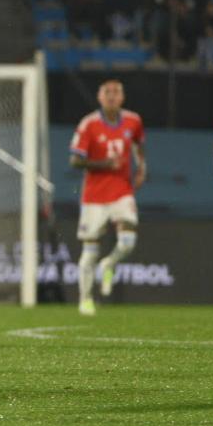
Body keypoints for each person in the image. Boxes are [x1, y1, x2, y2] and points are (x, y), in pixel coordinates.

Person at [68, 80, 145, 316]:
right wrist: (104, 164)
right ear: (99, 97)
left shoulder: (134, 121)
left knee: (128, 242)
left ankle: (109, 264)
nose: (112, 96)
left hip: (122, 191)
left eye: (116, 92)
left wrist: (142, 167)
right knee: (90, 251)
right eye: (107, 92)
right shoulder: (89, 124)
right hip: (94, 196)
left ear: (122, 97)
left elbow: (138, 145)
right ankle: (85, 299)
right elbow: (75, 160)